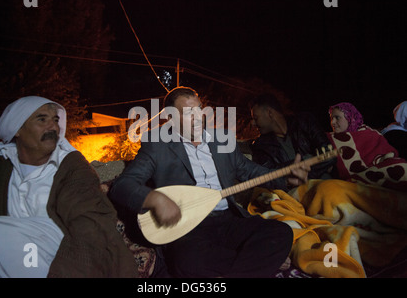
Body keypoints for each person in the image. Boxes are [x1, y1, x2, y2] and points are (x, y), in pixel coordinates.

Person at [109, 86, 310, 278]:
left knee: (281, 232)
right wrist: (154, 199)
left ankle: (236, 267)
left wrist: (286, 178)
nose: (198, 117)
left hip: (227, 219)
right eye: (188, 113)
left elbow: (250, 171)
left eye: (198, 109)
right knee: (186, 260)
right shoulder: (157, 146)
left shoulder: (221, 140)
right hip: (188, 228)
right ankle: (257, 263)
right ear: (170, 118)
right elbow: (122, 185)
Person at [0, 96, 138, 278]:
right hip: (7, 254)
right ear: (18, 128)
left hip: (59, 253)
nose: (52, 127)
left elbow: (90, 225)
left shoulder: (72, 167)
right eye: (42, 119)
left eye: (55, 120)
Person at [249, 93, 336, 188]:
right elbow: (267, 176)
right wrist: (309, 159)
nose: (252, 123)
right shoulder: (260, 145)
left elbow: (329, 155)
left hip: (324, 184)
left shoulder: (305, 121)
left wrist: (296, 172)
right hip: (291, 193)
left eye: (256, 118)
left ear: (270, 113)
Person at [327, 102, 407, 191]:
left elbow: (385, 154)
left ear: (350, 117)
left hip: (378, 168)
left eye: (337, 118)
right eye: (331, 118)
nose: (332, 122)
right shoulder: (327, 138)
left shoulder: (369, 133)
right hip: (354, 177)